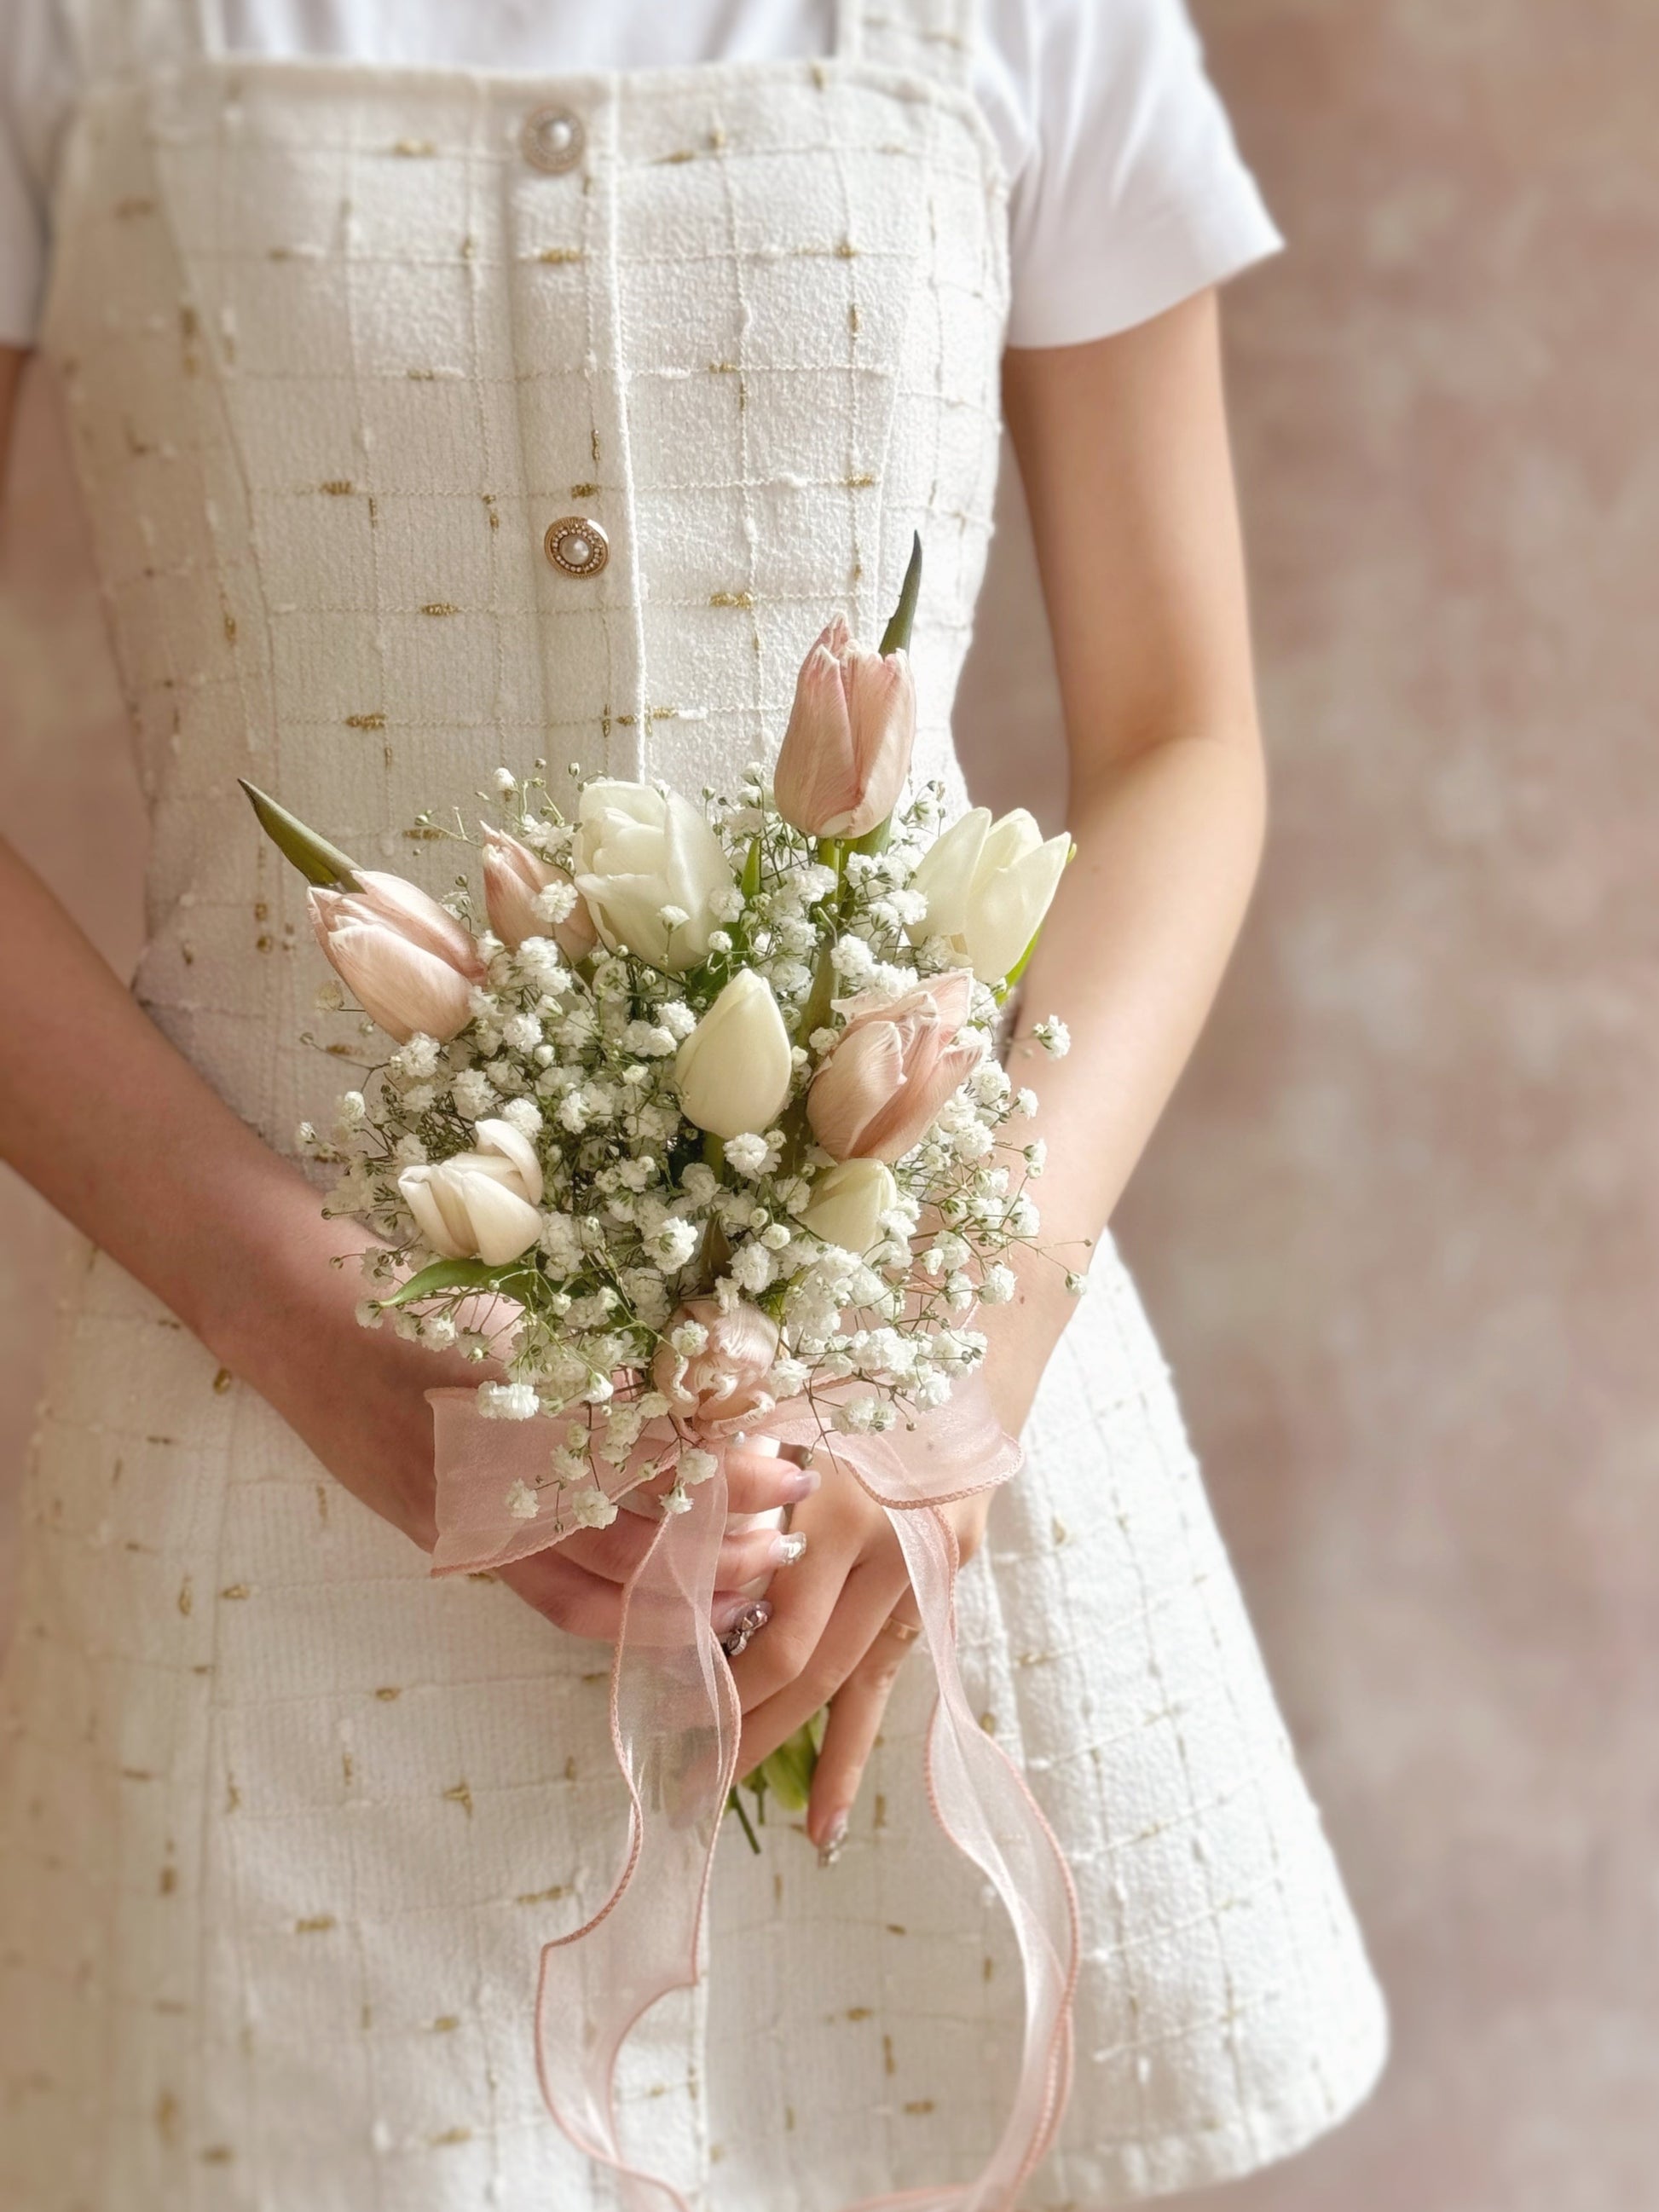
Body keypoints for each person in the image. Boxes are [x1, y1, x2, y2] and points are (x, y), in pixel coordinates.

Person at [0, 0, 1387, 2204]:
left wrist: (961, 1361)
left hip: (903, 1482)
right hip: (265, 1491)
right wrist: (308, 1322)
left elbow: (1177, 736)